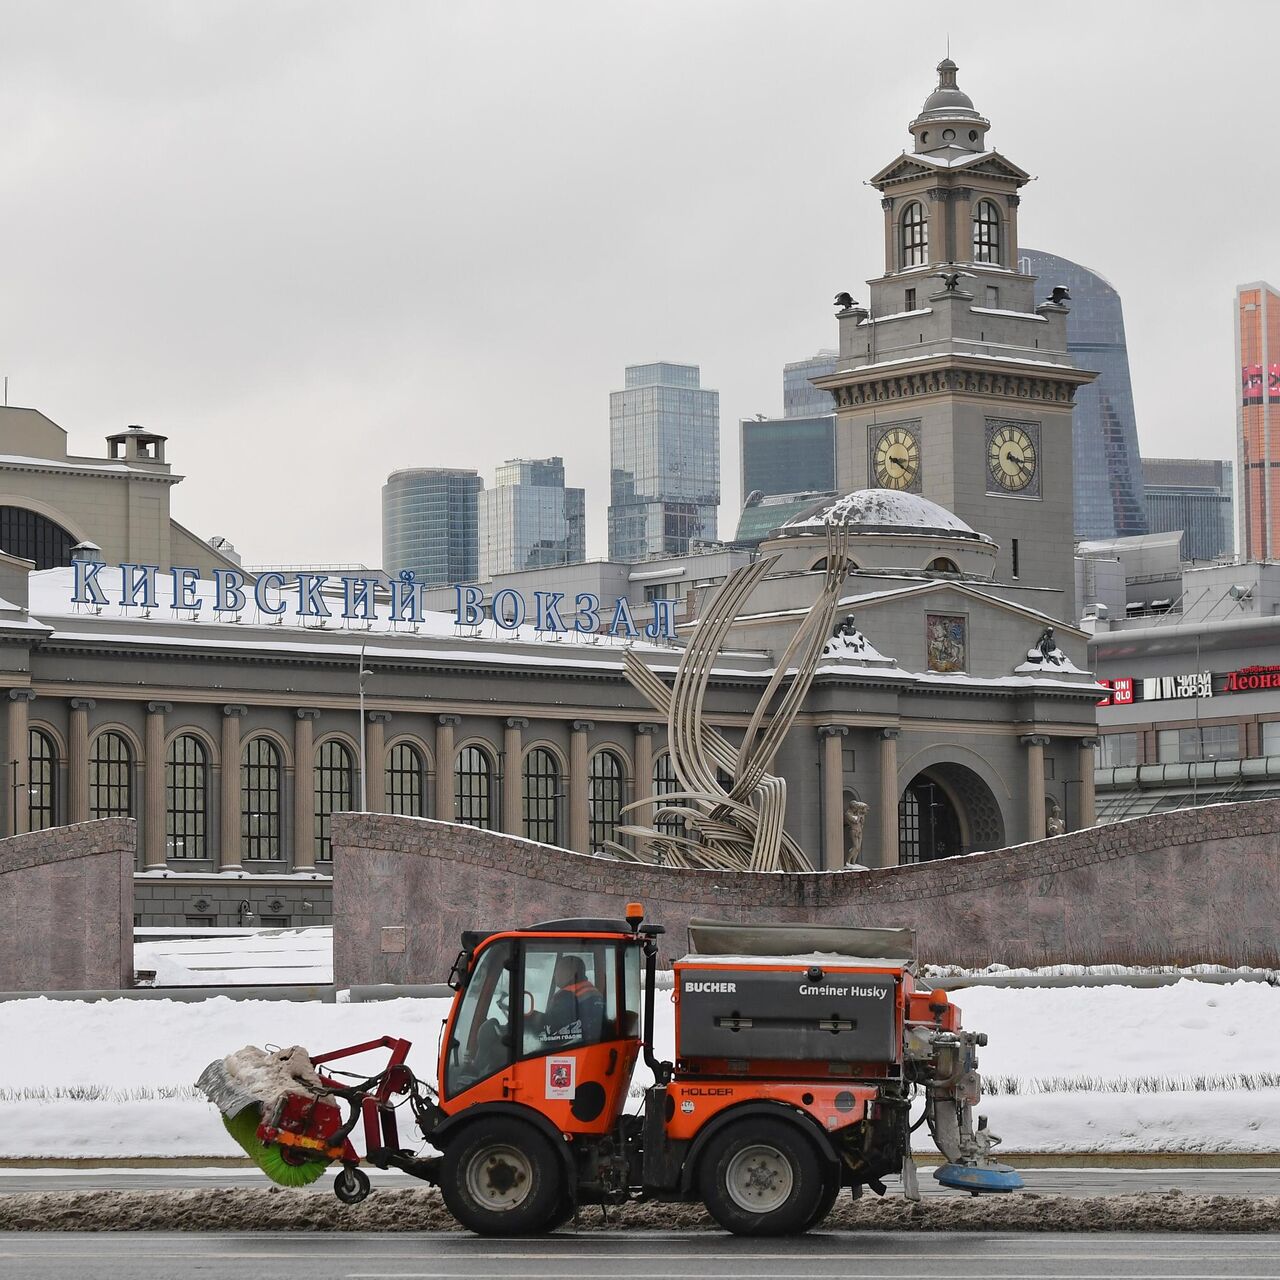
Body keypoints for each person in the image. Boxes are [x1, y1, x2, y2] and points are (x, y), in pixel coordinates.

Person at [538, 954, 605, 1046]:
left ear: (569, 972)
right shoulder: (592, 992)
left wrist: (531, 1019)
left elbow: (549, 1027)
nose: (555, 975)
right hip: (586, 1043)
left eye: (558, 970)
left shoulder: (567, 996)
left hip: (571, 1048)